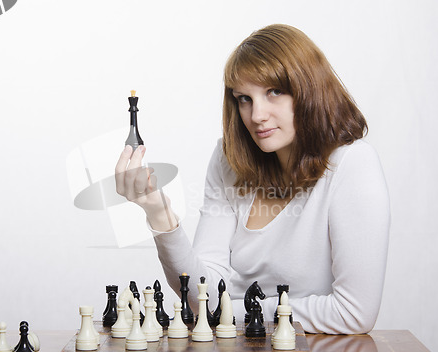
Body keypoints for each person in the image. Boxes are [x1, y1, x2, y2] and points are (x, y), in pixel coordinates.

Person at [115, 24, 390, 334]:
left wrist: (243, 308)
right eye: (244, 98)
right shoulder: (228, 161)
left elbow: (354, 313)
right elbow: (202, 298)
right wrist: (159, 214)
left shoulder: (352, 164)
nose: (257, 115)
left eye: (274, 92)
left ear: (311, 88)